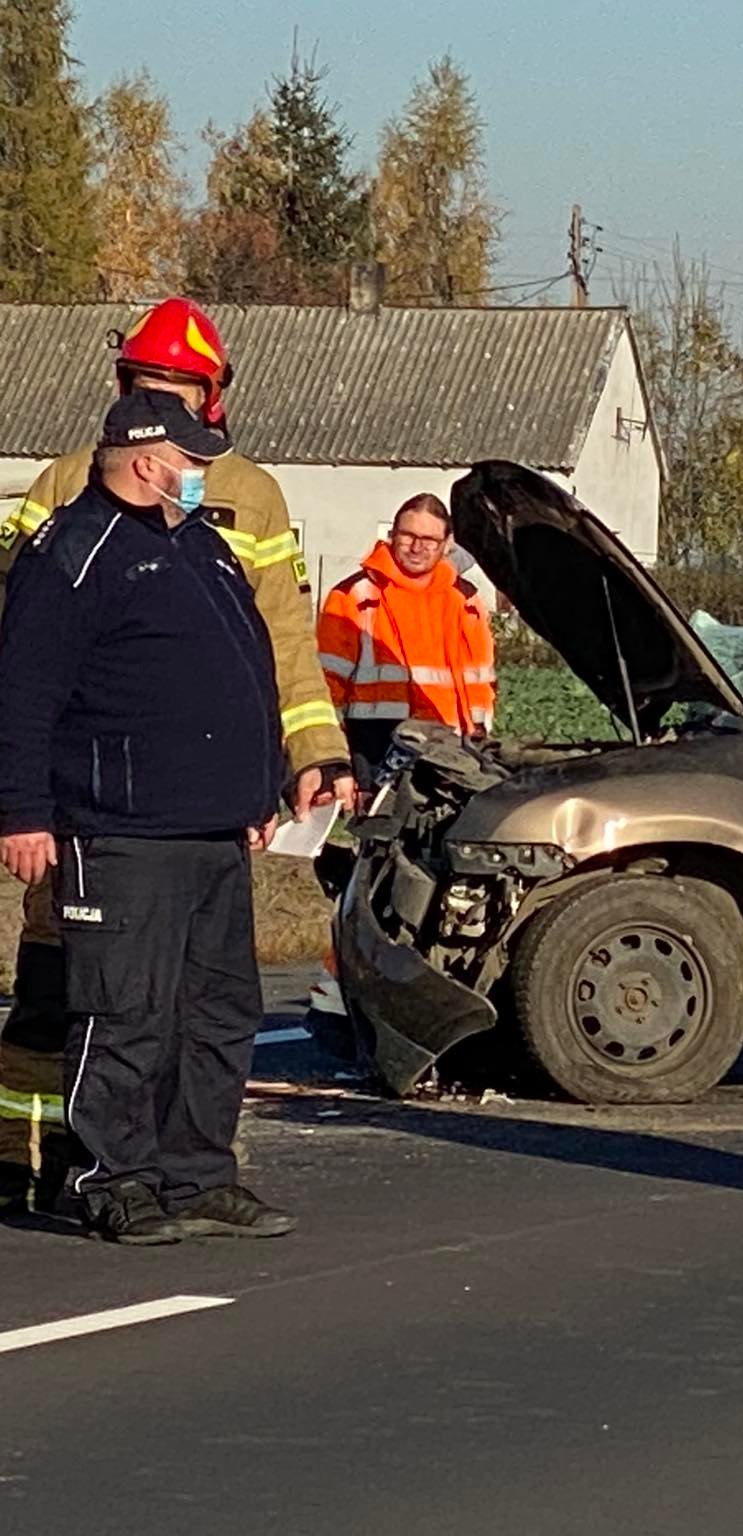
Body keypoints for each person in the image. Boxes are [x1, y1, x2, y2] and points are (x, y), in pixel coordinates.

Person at [0, 298, 353, 1208]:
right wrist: (24, 799)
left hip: (204, 807)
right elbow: (27, 650)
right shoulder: (68, 490)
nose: (170, 405)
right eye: (151, 388)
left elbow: (279, 643)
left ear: (214, 395)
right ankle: (26, 1151)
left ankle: (178, 1171)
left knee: (203, 1004)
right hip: (105, 806)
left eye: (181, 389)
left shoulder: (250, 498)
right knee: (73, 988)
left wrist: (310, 753)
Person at [317, 492, 497, 784]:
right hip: (374, 744)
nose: (417, 547)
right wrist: (332, 757)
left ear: (448, 544)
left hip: (450, 746)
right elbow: (327, 682)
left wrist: (478, 732)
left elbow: (480, 678)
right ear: (392, 535)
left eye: (429, 540)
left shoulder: (465, 599)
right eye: (408, 535)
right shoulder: (354, 595)